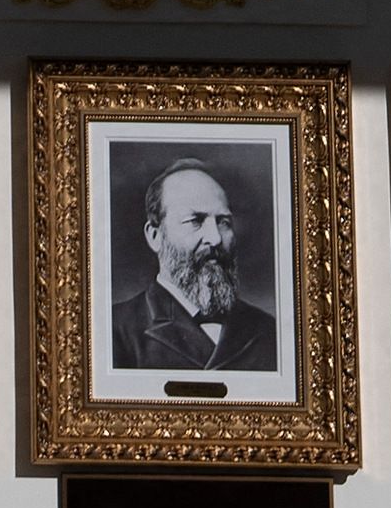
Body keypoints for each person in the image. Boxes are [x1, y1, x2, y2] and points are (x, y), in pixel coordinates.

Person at [111, 159, 275, 375]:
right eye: (195, 221)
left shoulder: (268, 330)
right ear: (155, 236)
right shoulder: (114, 330)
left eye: (223, 222)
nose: (215, 239)